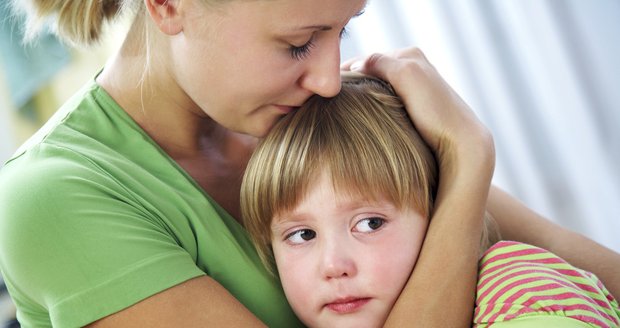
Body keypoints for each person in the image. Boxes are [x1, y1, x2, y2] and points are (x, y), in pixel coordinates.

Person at [0, 0, 617, 327]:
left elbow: (587, 270)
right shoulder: (54, 198)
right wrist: (468, 157)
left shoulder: (314, 112)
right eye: (297, 42)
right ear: (168, 4)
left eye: (342, 31)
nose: (326, 78)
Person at [240, 74, 620, 328]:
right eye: (303, 234)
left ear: (445, 210)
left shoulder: (523, 296)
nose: (333, 265)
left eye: (370, 223)